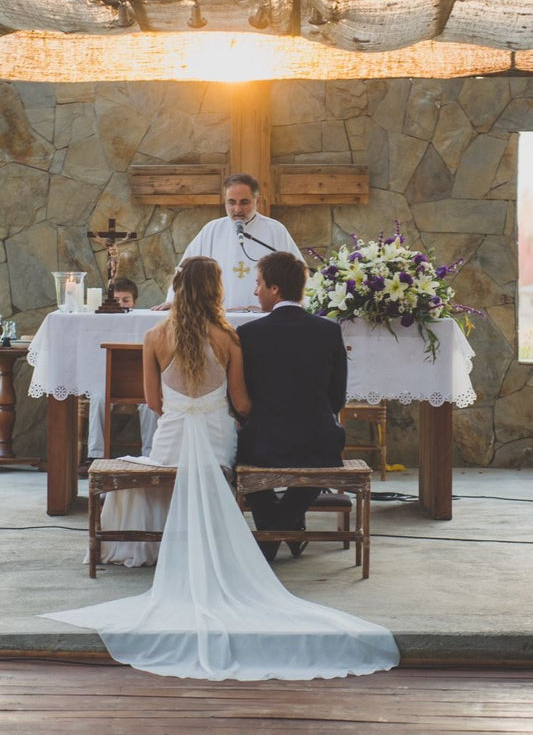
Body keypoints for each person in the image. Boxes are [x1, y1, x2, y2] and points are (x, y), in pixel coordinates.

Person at [42, 256, 400, 681]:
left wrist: (189, 409)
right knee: (248, 456)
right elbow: (247, 403)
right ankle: (276, 533)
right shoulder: (233, 338)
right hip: (221, 441)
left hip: (174, 439)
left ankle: (223, 536)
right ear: (215, 292)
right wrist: (228, 414)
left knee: (176, 457)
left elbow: (153, 404)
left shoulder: (156, 335)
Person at [237, 252, 347, 561]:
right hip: (318, 441)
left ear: (275, 289)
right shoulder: (329, 331)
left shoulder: (248, 334)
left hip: (263, 442)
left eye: (258, 284)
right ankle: (286, 529)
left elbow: (241, 397)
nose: (255, 291)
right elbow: (337, 396)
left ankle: (269, 541)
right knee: (321, 462)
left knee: (243, 455)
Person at [157, 173, 303, 312]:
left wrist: (301, 303)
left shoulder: (275, 230)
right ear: (225, 201)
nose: (237, 209)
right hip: (219, 318)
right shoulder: (212, 230)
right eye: (231, 202)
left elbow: (297, 273)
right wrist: (174, 299)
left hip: (265, 318)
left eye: (244, 202)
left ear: (257, 201)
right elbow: (185, 270)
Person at [85, 277, 157, 470]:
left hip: (137, 380)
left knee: (150, 404)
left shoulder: (144, 321)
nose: (122, 304)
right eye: (116, 300)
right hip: (108, 378)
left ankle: (150, 455)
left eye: (126, 300)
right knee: (98, 399)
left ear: (135, 302)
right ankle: (96, 455)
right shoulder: (101, 321)